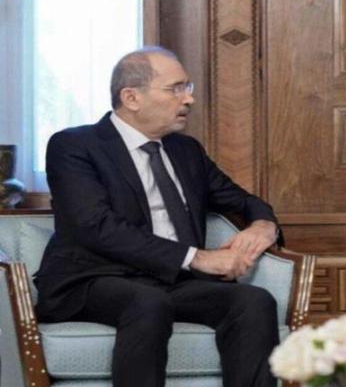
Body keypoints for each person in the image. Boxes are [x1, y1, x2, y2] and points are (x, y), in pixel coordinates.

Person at [34, 46, 281, 387]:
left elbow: (241, 200)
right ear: (131, 97)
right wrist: (197, 258)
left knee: (253, 301)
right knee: (147, 302)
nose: (189, 99)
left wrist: (264, 226)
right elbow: (95, 226)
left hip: (172, 281)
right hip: (94, 279)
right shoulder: (74, 145)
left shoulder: (186, 150)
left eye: (187, 87)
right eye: (175, 88)